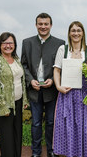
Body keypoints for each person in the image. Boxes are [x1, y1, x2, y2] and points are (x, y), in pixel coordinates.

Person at [53, 21, 87, 157]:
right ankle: (68, 153)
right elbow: (57, 70)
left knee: (85, 127)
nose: (76, 33)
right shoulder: (63, 50)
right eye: (73, 30)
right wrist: (58, 87)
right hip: (66, 93)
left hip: (84, 94)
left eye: (78, 30)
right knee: (67, 126)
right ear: (69, 33)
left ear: (83, 33)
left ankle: (84, 153)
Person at [21, 13, 65, 157]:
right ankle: (36, 152)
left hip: (52, 90)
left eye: (46, 24)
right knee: (36, 123)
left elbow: (62, 66)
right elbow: (24, 65)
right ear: (36, 25)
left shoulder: (60, 43)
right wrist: (30, 80)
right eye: (40, 24)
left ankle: (52, 151)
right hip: (34, 90)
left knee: (52, 122)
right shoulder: (27, 42)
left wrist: (53, 79)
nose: (43, 27)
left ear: (51, 25)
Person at [0, 32, 29, 157]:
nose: (8, 46)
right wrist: (2, 106)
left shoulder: (16, 59)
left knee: (17, 135)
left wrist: (24, 100)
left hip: (17, 102)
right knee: (7, 139)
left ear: (15, 45)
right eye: (4, 43)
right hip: (4, 105)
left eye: (11, 43)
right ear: (0, 45)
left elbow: (21, 81)